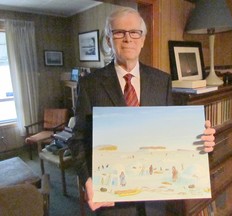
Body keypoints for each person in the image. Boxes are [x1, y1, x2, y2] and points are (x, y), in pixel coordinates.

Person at [68, 7, 215, 216]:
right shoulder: (89, 84)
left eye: (134, 32)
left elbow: (171, 136)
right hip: (113, 199)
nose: (127, 39)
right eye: (119, 32)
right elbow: (78, 139)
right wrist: (87, 180)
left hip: (156, 198)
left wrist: (201, 142)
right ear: (109, 40)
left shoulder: (162, 80)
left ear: (143, 39)